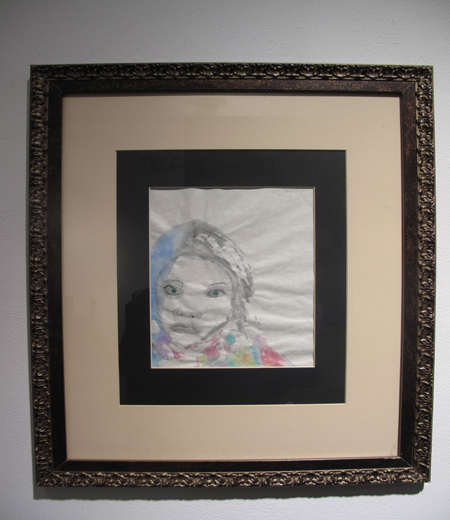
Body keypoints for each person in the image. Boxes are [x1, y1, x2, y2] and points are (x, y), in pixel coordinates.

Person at [150, 220, 291, 367]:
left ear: (237, 300)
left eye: (215, 293)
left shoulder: (266, 363)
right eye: (172, 290)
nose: (188, 310)